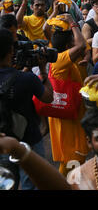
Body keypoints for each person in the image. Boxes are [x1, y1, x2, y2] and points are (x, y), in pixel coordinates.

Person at [0, 28, 53, 190]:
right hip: (28, 140)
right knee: (33, 183)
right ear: (11, 50)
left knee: (6, 184)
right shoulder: (27, 78)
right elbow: (48, 97)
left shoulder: (23, 76)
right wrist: (43, 70)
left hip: (2, 142)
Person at [46, 14, 88, 175]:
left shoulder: (59, 54)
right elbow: (82, 44)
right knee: (72, 156)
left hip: (70, 110)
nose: (75, 40)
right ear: (68, 42)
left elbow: (46, 29)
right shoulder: (61, 59)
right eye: (72, 38)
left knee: (73, 155)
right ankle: (67, 185)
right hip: (67, 114)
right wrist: (72, 22)